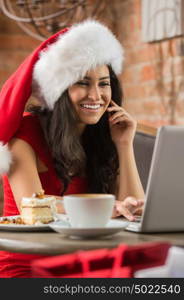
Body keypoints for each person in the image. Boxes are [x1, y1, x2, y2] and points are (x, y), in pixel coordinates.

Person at [0, 19, 144, 277]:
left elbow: (135, 208)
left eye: (103, 83)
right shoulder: (24, 134)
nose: (96, 95)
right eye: (82, 83)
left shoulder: (104, 135)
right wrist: (107, 208)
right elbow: (31, 205)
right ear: (60, 89)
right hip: (25, 268)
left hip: (83, 264)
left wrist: (124, 144)